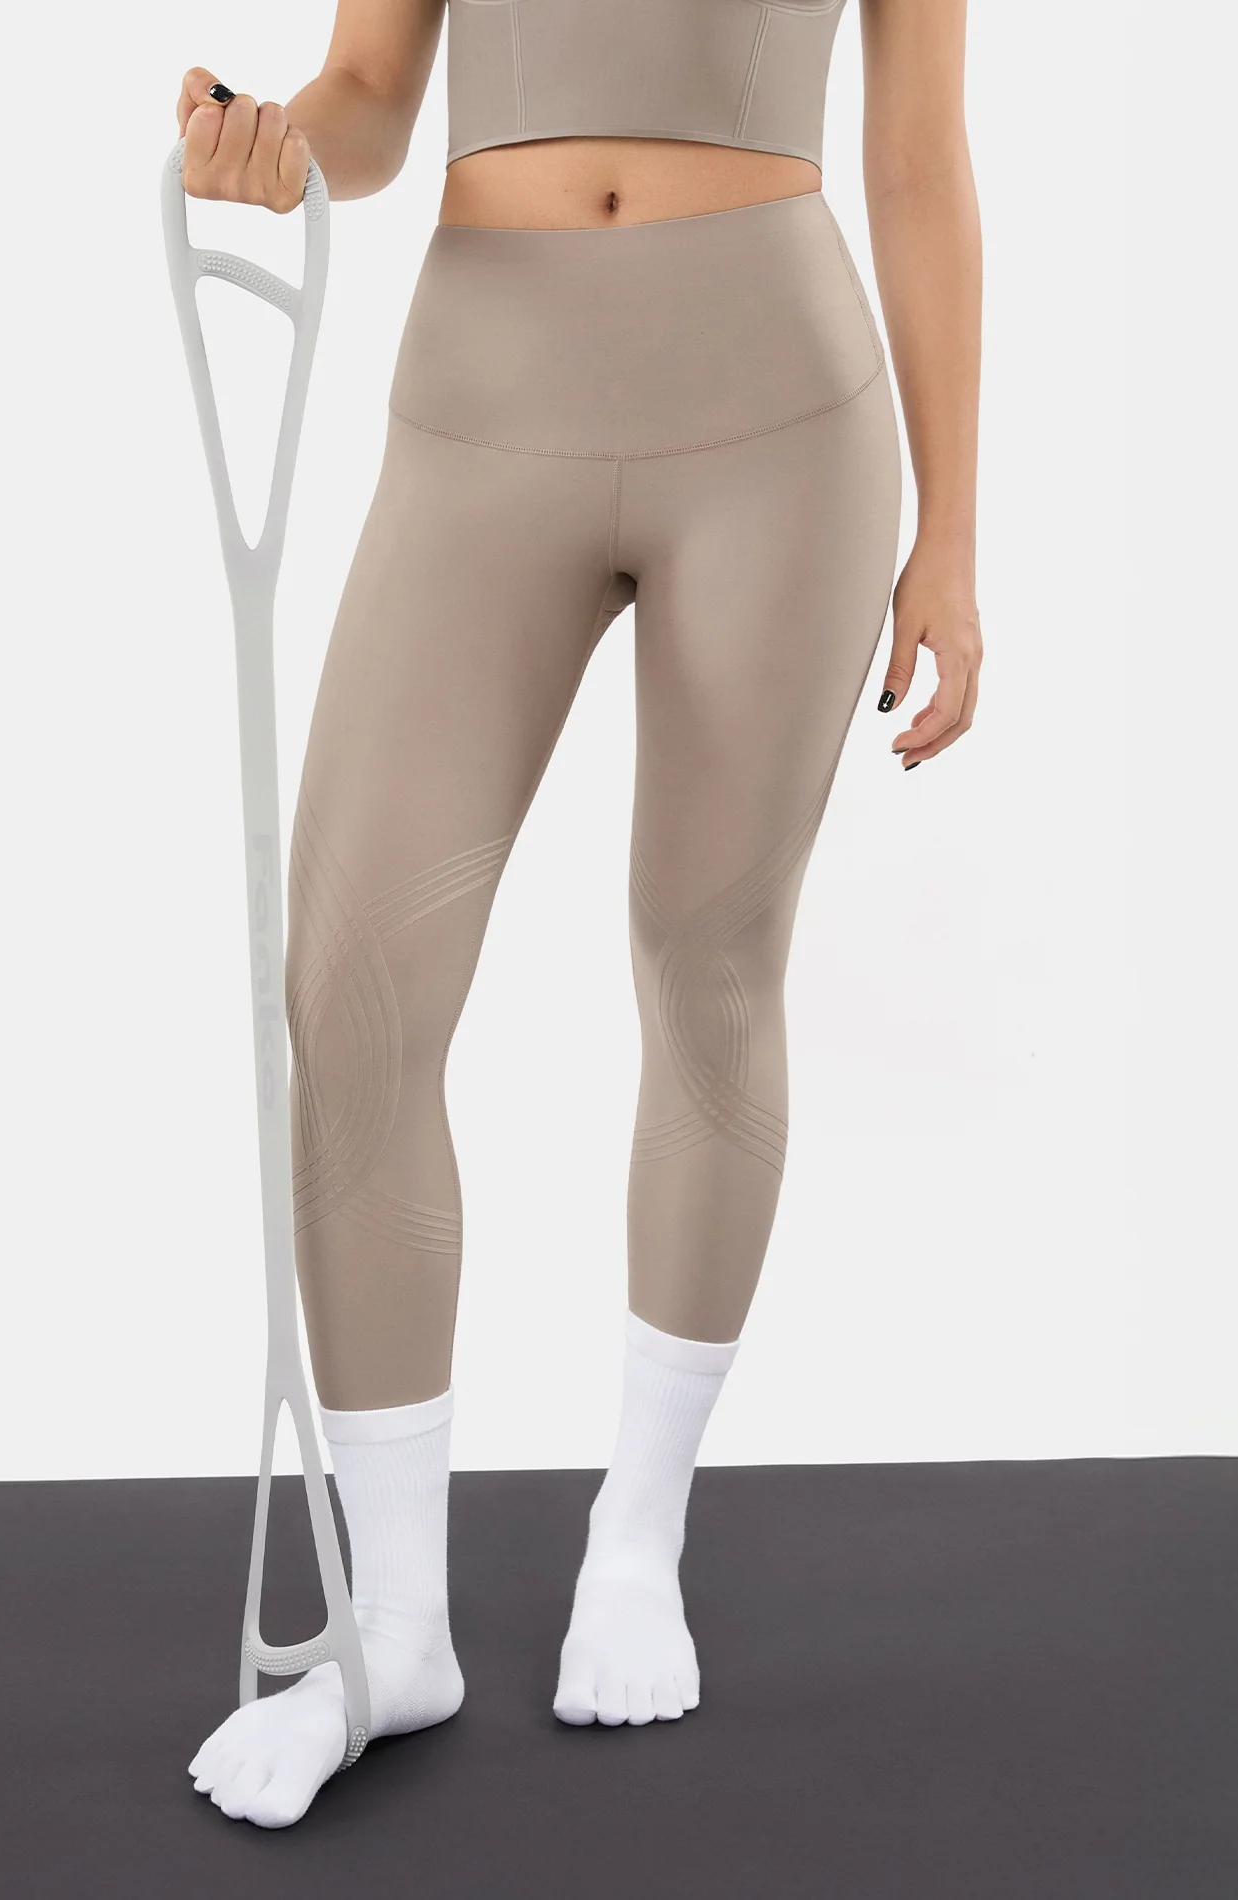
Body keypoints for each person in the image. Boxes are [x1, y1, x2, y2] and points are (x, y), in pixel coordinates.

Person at [181, 0, 982, 1828]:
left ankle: (639, 1538)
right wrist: (281, 152)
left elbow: (921, 156)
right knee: (349, 996)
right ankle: (396, 1630)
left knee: (710, 970)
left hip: (779, 412)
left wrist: (950, 534)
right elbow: (373, 98)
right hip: (487, 399)